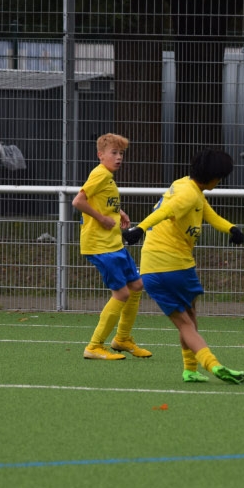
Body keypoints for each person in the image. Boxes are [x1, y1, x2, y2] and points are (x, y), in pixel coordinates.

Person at [122, 148, 244, 384]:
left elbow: (208, 214)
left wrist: (231, 229)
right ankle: (213, 365)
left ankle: (190, 370)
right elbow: (166, 211)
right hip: (173, 265)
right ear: (214, 177)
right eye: (220, 178)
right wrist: (138, 229)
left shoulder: (185, 186)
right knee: (187, 323)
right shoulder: (189, 195)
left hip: (154, 266)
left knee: (188, 318)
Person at [72, 133, 150, 360]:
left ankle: (122, 339)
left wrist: (118, 212)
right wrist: (101, 218)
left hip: (114, 244)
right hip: (100, 246)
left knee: (136, 285)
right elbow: (79, 201)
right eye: (113, 153)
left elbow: (101, 201)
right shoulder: (99, 174)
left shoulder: (107, 177)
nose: (119, 157)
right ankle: (94, 346)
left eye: (121, 153)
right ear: (100, 155)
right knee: (122, 293)